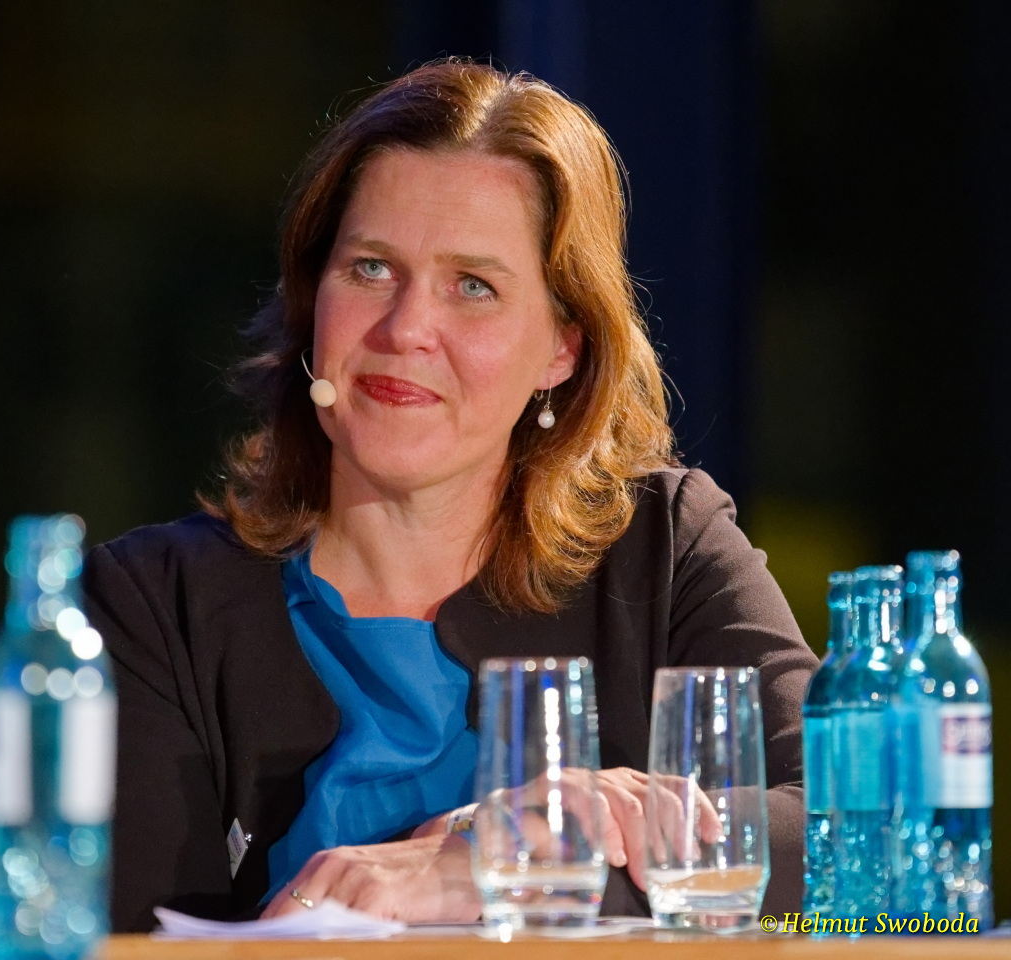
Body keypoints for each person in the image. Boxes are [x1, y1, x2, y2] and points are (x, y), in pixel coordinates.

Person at [82, 58, 818, 932]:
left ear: (563, 348)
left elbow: (852, 830)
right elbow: (124, 940)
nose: (406, 330)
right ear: (313, 298)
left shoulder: (664, 548)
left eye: (474, 287)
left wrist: (501, 866)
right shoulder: (155, 605)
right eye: (370, 269)